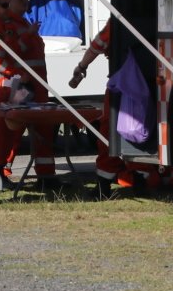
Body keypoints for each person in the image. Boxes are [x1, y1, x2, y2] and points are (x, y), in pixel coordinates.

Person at [70, 24, 167, 194]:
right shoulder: (161, 21)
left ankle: (104, 184)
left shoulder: (116, 25)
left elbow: (95, 47)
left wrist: (81, 67)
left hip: (122, 86)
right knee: (146, 131)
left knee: (108, 133)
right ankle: (141, 178)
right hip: (154, 85)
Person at [0, 0, 57, 186]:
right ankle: (0, 171)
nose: (25, 1)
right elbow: (9, 53)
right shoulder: (6, 24)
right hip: (17, 87)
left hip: (33, 85)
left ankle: (46, 176)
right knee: (10, 131)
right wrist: (27, 36)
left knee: (42, 131)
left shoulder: (22, 23)